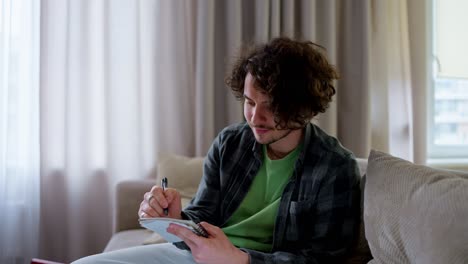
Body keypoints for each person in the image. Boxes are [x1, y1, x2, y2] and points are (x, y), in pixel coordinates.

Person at [73, 37, 361, 264]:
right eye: (249, 102)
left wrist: (241, 259)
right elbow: (203, 215)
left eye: (271, 106)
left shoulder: (334, 167)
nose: (254, 118)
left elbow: (324, 260)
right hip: (196, 257)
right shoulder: (230, 143)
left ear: (304, 107)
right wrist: (175, 219)